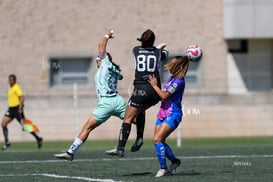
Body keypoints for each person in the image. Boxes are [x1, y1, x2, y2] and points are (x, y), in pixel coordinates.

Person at [54, 30, 144, 161]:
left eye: (98, 58)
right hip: (118, 101)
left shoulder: (105, 64)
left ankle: (71, 152)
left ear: (103, 59)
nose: (97, 60)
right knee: (135, 120)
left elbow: (101, 45)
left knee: (87, 128)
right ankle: (145, 138)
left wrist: (107, 35)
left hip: (106, 102)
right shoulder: (113, 69)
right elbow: (120, 75)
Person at [108, 29, 168, 157]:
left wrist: (155, 48)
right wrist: (158, 49)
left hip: (141, 90)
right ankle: (139, 138)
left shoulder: (135, 50)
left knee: (127, 118)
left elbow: (145, 52)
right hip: (155, 91)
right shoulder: (158, 52)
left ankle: (120, 148)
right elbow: (164, 54)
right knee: (140, 110)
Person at [148, 55, 190, 177]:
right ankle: (175, 161)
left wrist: (154, 86)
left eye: (172, 65)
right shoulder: (171, 78)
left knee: (157, 139)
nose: (169, 67)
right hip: (162, 113)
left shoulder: (178, 82)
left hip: (173, 114)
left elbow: (165, 96)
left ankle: (163, 168)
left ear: (177, 67)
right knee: (158, 141)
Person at [1, 74, 43, 150]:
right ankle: (7, 142)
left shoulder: (16, 87)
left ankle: (38, 138)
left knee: (26, 127)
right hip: (11, 109)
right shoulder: (10, 88)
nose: (10, 81)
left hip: (17, 109)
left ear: (14, 80)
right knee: (3, 123)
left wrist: (20, 108)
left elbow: (22, 97)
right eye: (9, 80)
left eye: (11, 80)